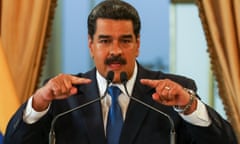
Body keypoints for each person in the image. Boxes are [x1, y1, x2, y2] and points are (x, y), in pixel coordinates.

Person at [4, 0, 237, 144]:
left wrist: (189, 105)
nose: (115, 51)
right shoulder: (63, 97)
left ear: (138, 44)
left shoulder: (173, 93)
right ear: (90, 44)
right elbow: (14, 142)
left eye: (125, 41)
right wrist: (40, 100)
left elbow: (225, 142)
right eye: (105, 41)